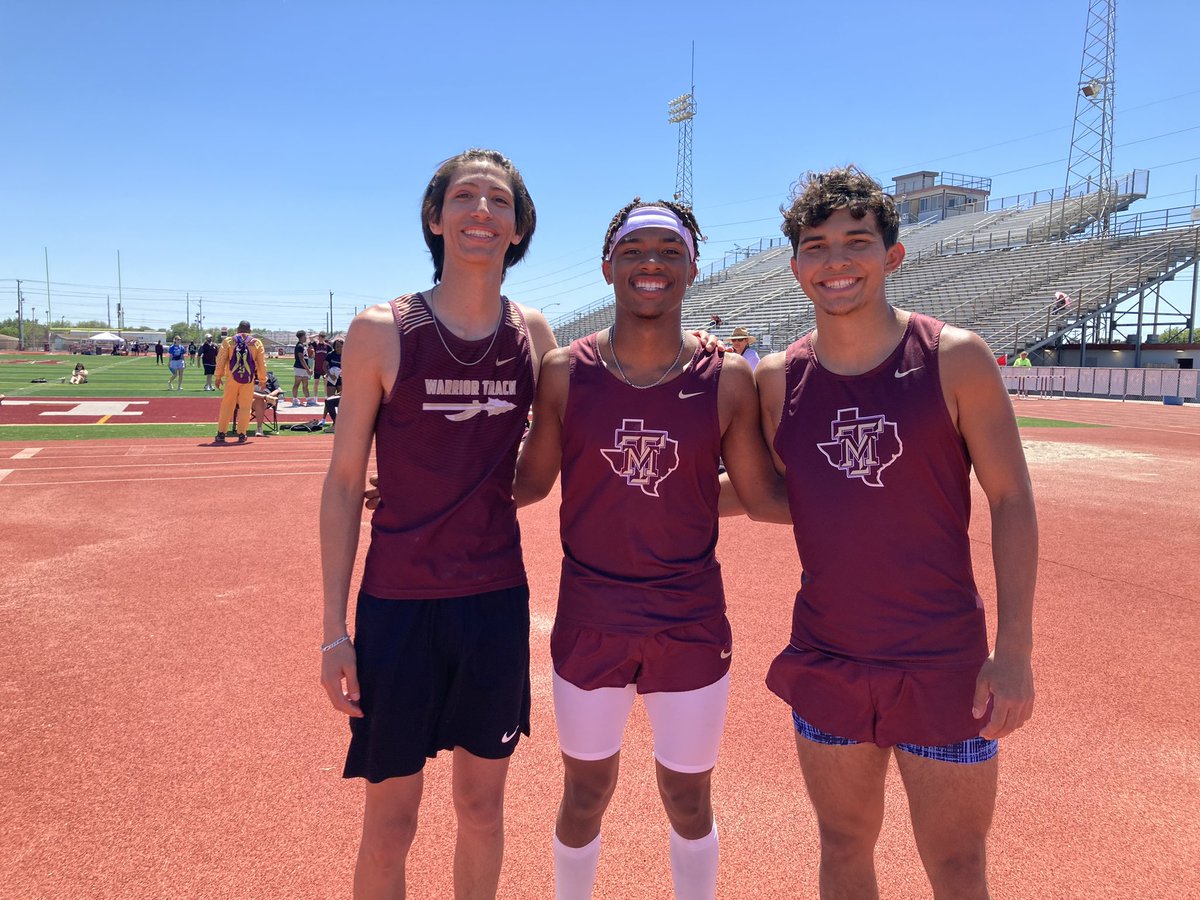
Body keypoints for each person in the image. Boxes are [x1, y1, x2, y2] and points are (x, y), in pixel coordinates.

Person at [754, 166, 1036, 899]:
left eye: (857, 242)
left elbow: (1010, 499)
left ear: (893, 255)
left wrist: (1014, 652)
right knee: (844, 845)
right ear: (795, 268)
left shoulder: (956, 357)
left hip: (944, 660)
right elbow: (796, 495)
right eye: (816, 246)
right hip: (830, 654)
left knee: (957, 864)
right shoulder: (779, 379)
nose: (836, 261)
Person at [513, 200, 785, 900]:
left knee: (689, 799)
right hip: (590, 616)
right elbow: (530, 482)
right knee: (584, 793)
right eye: (635, 250)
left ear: (692, 266)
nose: (651, 263)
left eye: (669, 249)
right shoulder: (564, 373)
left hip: (689, 618)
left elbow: (759, 496)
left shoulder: (727, 379)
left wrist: (892, 495)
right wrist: (427, 490)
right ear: (609, 266)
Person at [319, 148, 557, 899]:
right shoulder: (381, 330)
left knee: (482, 809)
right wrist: (334, 629)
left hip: (493, 604)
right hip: (398, 608)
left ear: (519, 229)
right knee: (391, 823)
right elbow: (343, 482)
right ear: (435, 218)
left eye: (499, 201)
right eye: (464, 198)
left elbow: (545, 468)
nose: (481, 212)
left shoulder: (535, 336)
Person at [213, 320, 267, 444]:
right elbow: (261, 363)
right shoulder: (256, 343)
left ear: (238, 329)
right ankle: (242, 434)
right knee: (245, 407)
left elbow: (221, 359)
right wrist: (263, 379)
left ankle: (221, 433)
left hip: (232, 378)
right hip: (248, 379)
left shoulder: (229, 341)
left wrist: (218, 376)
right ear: (249, 330)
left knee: (227, 405)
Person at [252, 370, 284, 437]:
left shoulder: (270, 377)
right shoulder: (248, 375)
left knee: (259, 401)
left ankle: (259, 428)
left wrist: (270, 395)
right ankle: (259, 428)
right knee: (255, 397)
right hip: (250, 399)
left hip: (265, 400)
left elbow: (278, 389)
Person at [291, 330, 312, 407]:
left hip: (303, 368)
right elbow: (301, 358)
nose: (306, 337)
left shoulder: (303, 346)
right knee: (297, 384)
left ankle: (308, 399)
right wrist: (307, 369)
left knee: (305, 384)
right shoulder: (299, 346)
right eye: (305, 336)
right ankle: (295, 399)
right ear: (302, 336)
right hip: (299, 367)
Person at [313, 332, 331, 402]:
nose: (319, 339)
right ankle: (315, 398)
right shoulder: (315, 345)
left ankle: (326, 398)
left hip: (324, 368)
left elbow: (330, 356)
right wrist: (317, 334)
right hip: (317, 368)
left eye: (321, 337)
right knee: (316, 383)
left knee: (325, 384)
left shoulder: (328, 346)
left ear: (323, 338)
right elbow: (311, 338)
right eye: (319, 337)